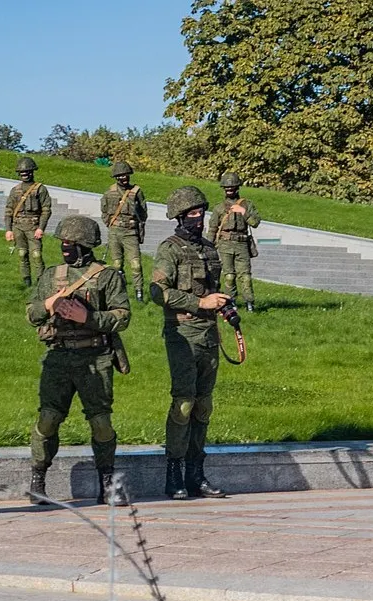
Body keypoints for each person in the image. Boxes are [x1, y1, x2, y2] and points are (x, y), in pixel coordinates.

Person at [25, 215, 131, 507]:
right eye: (63, 243)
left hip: (95, 357)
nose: (65, 249)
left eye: (72, 244)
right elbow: (31, 313)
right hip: (58, 357)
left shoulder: (107, 275)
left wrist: (89, 318)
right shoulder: (51, 274)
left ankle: (107, 483)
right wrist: (49, 304)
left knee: (101, 423)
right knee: (48, 420)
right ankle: (38, 479)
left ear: (86, 245)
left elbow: (123, 316)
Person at [150, 186, 230, 500]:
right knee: (184, 404)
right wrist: (200, 303)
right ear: (181, 217)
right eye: (193, 214)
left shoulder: (210, 250)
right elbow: (159, 292)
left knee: (203, 405)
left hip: (209, 335)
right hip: (182, 335)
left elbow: (213, 290)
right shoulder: (169, 249)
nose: (199, 219)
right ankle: (175, 473)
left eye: (201, 213)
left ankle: (197, 474)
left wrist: (223, 304)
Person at [209, 172, 262, 312]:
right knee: (229, 276)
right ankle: (230, 302)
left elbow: (255, 222)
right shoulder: (219, 208)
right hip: (225, 244)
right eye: (227, 188)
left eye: (232, 187)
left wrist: (243, 212)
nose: (229, 190)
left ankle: (249, 302)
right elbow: (213, 228)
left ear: (237, 187)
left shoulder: (247, 205)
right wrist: (208, 246)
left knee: (245, 276)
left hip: (242, 244)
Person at [100, 161, 148, 301]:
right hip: (115, 232)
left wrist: (137, 225)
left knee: (135, 264)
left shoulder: (136, 192)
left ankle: (139, 292)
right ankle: (119, 291)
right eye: (121, 176)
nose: (124, 178)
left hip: (130, 232)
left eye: (126, 175)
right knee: (116, 264)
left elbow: (143, 212)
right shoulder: (110, 192)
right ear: (116, 177)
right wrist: (111, 223)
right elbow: (104, 211)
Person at [4, 156, 52, 286]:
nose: (25, 175)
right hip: (18, 226)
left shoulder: (40, 189)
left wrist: (41, 227)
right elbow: (9, 210)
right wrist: (8, 229)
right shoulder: (15, 190)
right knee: (22, 253)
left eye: (27, 172)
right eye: (22, 173)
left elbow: (46, 210)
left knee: (36, 255)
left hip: (34, 226)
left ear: (32, 172)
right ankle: (26, 281)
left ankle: (40, 281)